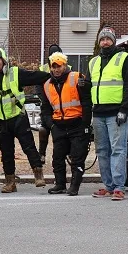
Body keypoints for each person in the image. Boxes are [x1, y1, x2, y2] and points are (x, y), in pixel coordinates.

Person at [0, 47, 49, 193]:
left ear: (3, 60)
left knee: (29, 147)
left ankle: (38, 175)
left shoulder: (15, 73)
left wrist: (53, 76)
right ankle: (10, 182)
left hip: (18, 117)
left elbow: (36, 76)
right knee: (6, 153)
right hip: (0, 121)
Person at [88, 27, 128, 201]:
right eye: (102, 39)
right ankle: (108, 186)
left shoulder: (123, 58)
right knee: (102, 150)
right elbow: (89, 86)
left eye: (108, 39)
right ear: (99, 42)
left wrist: (124, 110)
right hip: (98, 113)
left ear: (114, 41)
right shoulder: (93, 62)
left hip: (117, 113)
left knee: (118, 150)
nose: (105, 42)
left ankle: (118, 187)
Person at [41, 52, 91, 196]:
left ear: (65, 65)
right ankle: (60, 184)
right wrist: (51, 125)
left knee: (77, 157)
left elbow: (87, 102)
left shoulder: (77, 77)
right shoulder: (47, 85)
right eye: (53, 66)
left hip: (77, 125)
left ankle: (74, 186)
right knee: (57, 158)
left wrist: (85, 124)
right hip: (59, 126)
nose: (56, 69)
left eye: (59, 66)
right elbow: (45, 108)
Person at [38, 43, 68, 163]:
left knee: (62, 132)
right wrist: (44, 99)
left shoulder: (67, 67)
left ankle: (67, 153)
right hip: (48, 104)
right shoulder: (43, 69)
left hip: (64, 104)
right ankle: (42, 153)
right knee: (43, 130)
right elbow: (38, 87)